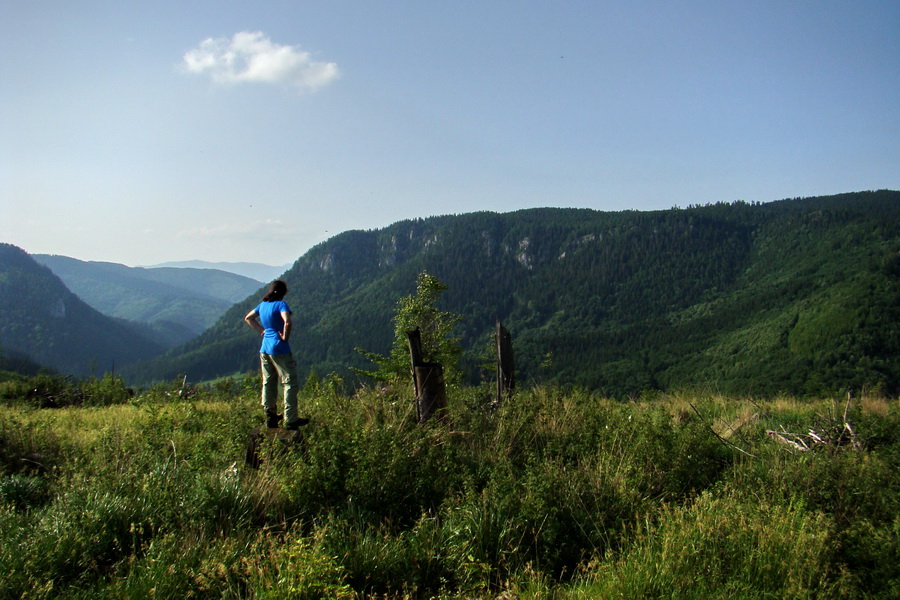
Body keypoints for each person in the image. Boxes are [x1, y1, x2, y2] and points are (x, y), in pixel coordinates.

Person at [244, 280, 309, 430]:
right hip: (279, 348)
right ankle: (291, 419)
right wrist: (285, 337)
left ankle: (270, 415)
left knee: (268, 381)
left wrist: (262, 330)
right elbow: (287, 322)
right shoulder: (281, 305)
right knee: (289, 382)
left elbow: (248, 318)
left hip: (264, 348)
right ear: (283, 292)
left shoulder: (263, 305)